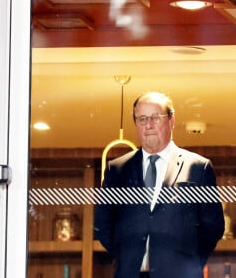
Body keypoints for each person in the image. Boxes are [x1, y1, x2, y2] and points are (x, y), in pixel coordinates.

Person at [94, 91, 224, 278]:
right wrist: (127, 255)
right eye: (142, 119)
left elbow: (213, 226)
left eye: (155, 118)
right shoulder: (117, 169)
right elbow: (102, 225)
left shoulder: (198, 167)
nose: (148, 125)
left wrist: (190, 262)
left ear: (171, 121)